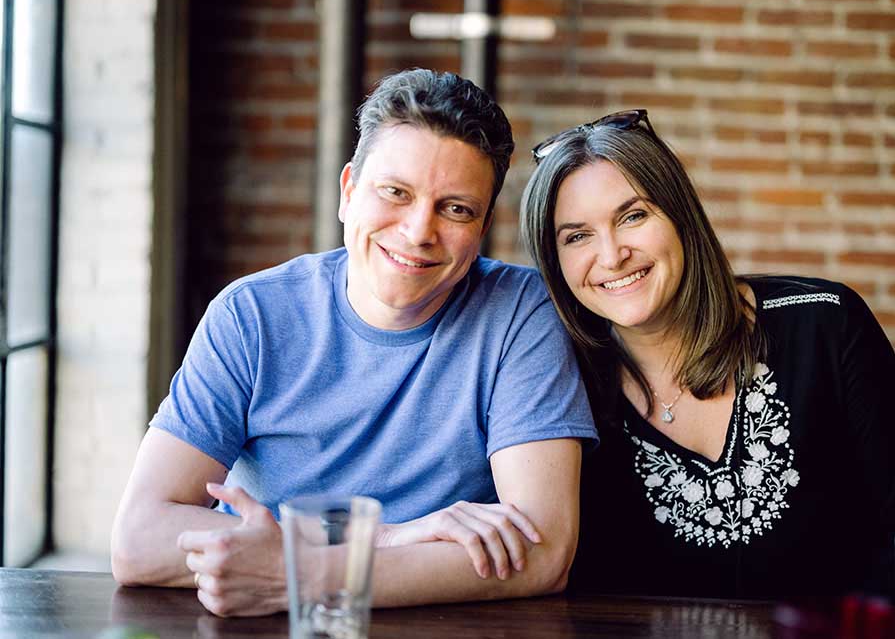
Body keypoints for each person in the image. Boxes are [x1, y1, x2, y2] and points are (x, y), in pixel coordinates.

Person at [111, 69, 598, 616]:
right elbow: (139, 539)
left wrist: (298, 573)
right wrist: (387, 537)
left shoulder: (520, 313)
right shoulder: (253, 315)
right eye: (395, 192)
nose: (418, 231)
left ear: (482, 228)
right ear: (348, 192)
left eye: (455, 208)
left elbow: (544, 552)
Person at [518, 109, 895, 599]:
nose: (611, 256)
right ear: (555, 260)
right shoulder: (555, 378)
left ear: (681, 216)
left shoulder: (827, 323)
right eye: (577, 236)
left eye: (633, 216)